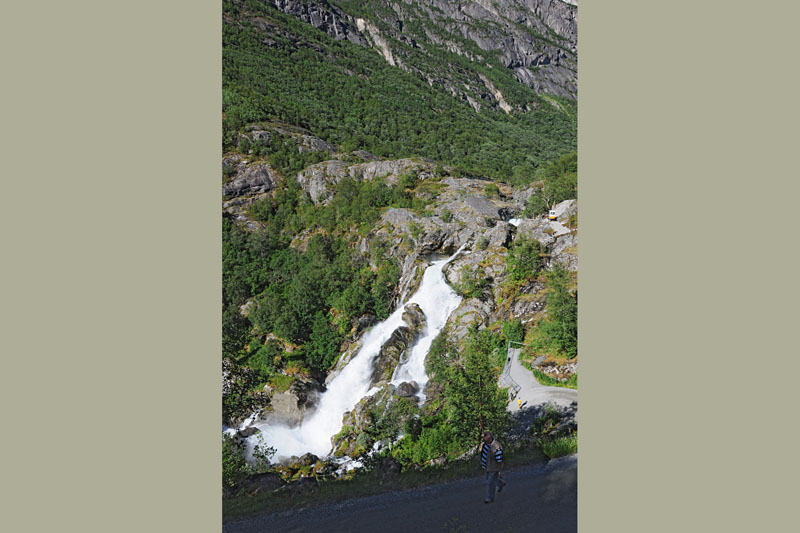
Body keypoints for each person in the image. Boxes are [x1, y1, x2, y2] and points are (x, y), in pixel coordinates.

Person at [480, 430, 505, 503]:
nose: (484, 441)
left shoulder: (497, 448)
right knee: (492, 479)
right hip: (486, 466)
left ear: (490, 439)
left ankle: (490, 498)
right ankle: (501, 484)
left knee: (490, 482)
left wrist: (500, 472)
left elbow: (499, 461)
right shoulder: (485, 444)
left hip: (494, 468)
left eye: (486, 440)